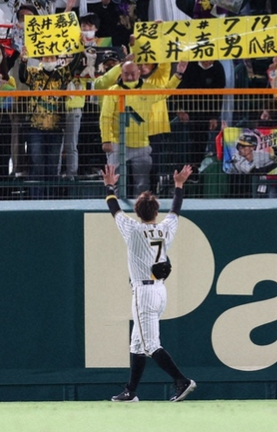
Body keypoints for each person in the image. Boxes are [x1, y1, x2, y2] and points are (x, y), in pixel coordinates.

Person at [105, 163, 198, 403]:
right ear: (155, 212)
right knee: (137, 344)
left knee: (150, 346)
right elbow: (176, 210)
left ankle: (182, 380)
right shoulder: (164, 228)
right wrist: (179, 185)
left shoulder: (134, 230)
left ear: (138, 212)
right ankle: (131, 391)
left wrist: (109, 186)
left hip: (144, 292)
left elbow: (114, 209)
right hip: (159, 291)